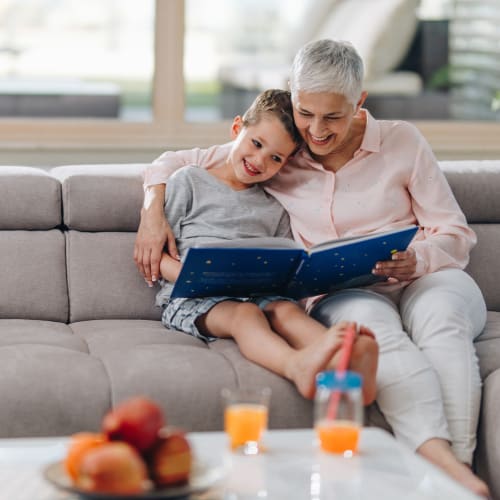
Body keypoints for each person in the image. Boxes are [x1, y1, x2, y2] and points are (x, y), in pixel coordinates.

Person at [134, 40, 489, 497]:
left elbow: (455, 234)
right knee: (375, 337)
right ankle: (449, 475)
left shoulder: (402, 140)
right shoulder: (284, 151)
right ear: (292, 95)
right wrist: (151, 209)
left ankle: (455, 473)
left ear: (359, 103)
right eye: (306, 112)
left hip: (429, 276)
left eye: (333, 117)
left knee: (441, 322)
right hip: (351, 291)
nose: (317, 131)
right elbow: (181, 162)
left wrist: (417, 259)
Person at [153, 88, 378, 402]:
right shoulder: (188, 180)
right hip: (193, 296)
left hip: (257, 292)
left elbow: (285, 261)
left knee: (285, 310)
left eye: (275, 158)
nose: (259, 161)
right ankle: (296, 366)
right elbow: (157, 256)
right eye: (256, 144)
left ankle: (344, 356)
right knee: (246, 315)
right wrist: (194, 276)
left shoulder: (273, 204)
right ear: (236, 129)